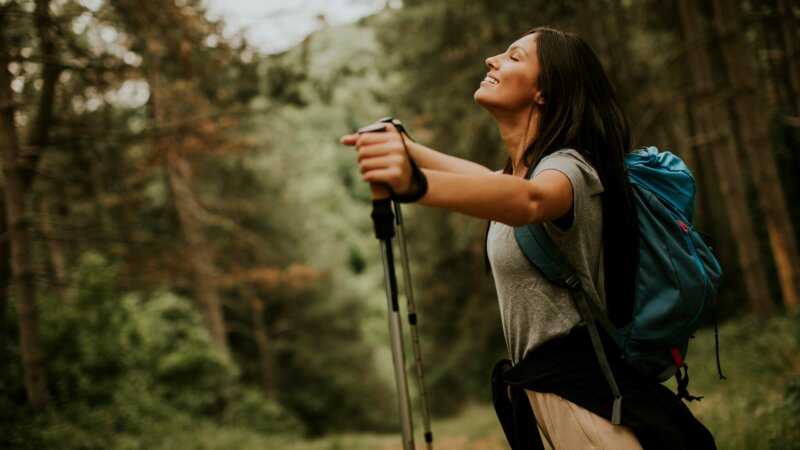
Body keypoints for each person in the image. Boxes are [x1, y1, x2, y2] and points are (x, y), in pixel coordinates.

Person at [341, 26, 715, 450]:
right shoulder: (522, 175)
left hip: (587, 408)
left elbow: (531, 201)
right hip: (551, 400)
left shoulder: (569, 169)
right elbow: (492, 183)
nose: (491, 59)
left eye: (514, 57)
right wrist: (408, 147)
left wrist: (415, 185)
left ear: (544, 92)